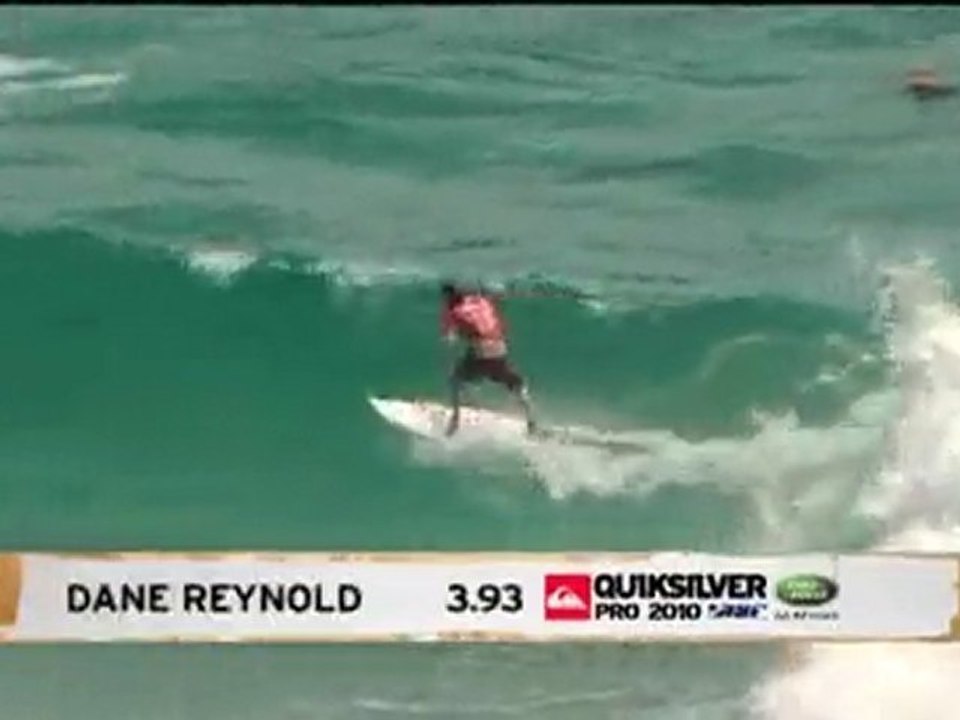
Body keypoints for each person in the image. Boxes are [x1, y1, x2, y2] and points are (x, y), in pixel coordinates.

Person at [439, 282, 537, 437]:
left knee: (455, 379)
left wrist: (450, 336)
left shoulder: (453, 311)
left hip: (482, 353)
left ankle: (455, 421)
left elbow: (450, 338)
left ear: (447, 297)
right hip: (500, 349)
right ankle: (532, 422)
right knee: (516, 384)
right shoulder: (482, 301)